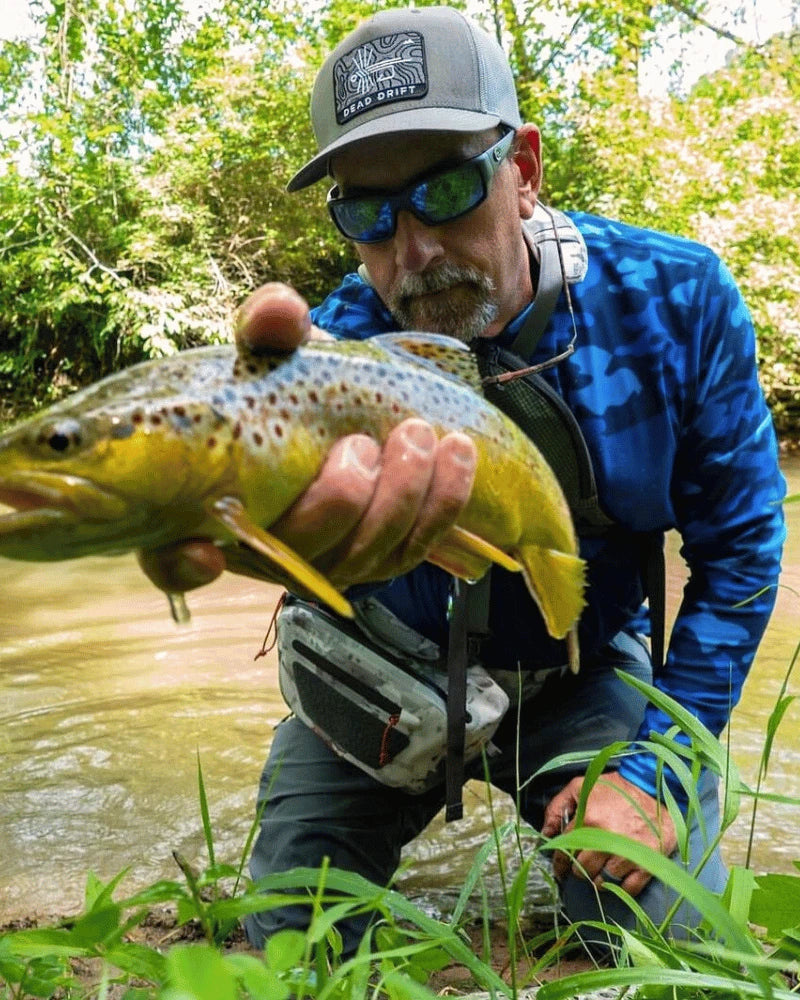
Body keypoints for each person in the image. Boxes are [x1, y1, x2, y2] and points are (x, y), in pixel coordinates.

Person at [141, 5, 786, 957]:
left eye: (445, 188)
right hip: (382, 675)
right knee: (288, 948)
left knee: (671, 948)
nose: (412, 249)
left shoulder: (679, 303)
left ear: (522, 170)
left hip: (585, 672)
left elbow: (741, 553)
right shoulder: (331, 357)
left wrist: (659, 772)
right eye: (367, 212)